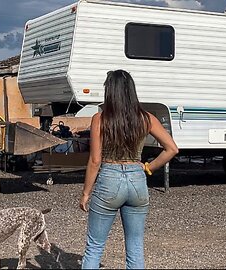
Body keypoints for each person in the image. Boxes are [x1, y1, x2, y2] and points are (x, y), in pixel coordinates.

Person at [79, 69, 179, 269]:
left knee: (95, 246)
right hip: (137, 181)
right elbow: (172, 149)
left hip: (109, 178)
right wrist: (148, 168)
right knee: (135, 246)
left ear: (110, 91)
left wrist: (85, 193)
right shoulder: (146, 118)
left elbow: (95, 160)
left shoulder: (100, 119)